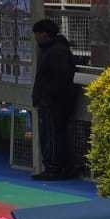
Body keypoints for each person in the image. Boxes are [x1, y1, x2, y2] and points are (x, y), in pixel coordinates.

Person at [31, 18, 78, 181]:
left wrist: (46, 96)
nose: (36, 38)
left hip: (53, 103)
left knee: (51, 136)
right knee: (58, 135)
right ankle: (61, 167)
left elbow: (59, 78)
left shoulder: (55, 52)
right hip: (57, 101)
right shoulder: (58, 50)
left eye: (37, 34)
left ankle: (53, 168)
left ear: (44, 34)